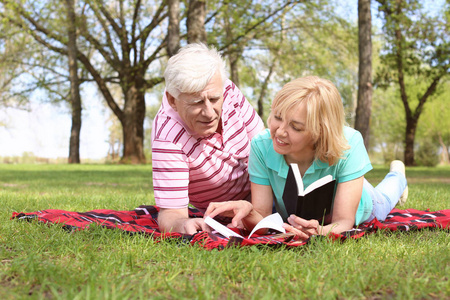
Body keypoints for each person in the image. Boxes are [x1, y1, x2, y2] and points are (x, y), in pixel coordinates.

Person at [205, 76, 408, 240]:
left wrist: (320, 232)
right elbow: (264, 220)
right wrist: (248, 211)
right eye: (277, 117)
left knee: (386, 200)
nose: (280, 132)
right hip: (299, 213)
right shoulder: (261, 145)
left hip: (363, 202)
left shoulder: (350, 142)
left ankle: (398, 175)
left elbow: (344, 222)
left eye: (296, 127)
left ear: (320, 131)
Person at [151, 43, 264, 235]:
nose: (209, 113)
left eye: (213, 99)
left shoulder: (226, 89)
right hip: (235, 215)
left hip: (268, 190)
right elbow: (171, 213)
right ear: (172, 100)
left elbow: (264, 146)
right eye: (196, 102)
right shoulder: (167, 135)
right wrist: (182, 224)